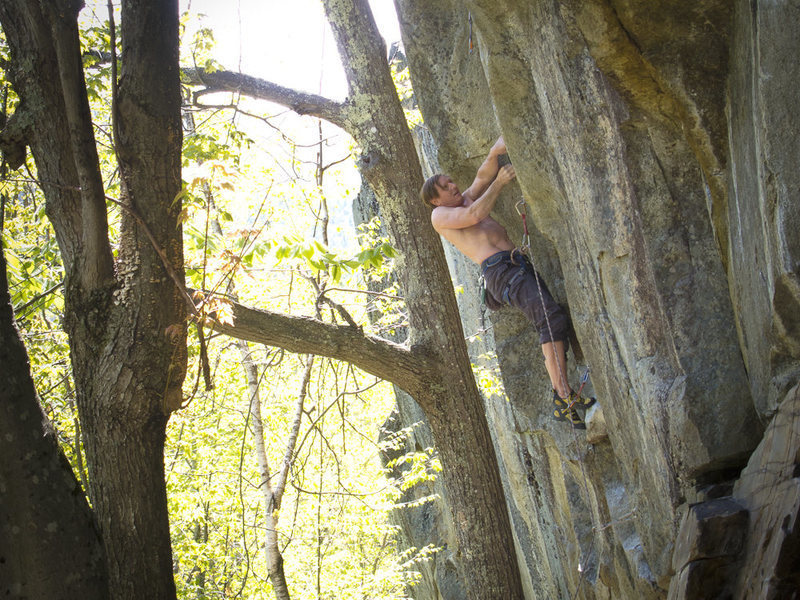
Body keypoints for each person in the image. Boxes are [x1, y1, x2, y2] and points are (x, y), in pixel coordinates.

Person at [420, 137, 595, 428]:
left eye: (451, 182)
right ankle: (563, 398)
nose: (454, 186)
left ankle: (565, 396)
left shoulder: (463, 199)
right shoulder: (440, 215)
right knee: (548, 319)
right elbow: (475, 214)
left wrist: (496, 151)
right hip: (501, 272)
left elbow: (480, 177)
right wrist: (500, 183)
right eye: (446, 186)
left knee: (553, 317)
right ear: (436, 199)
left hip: (514, 266)